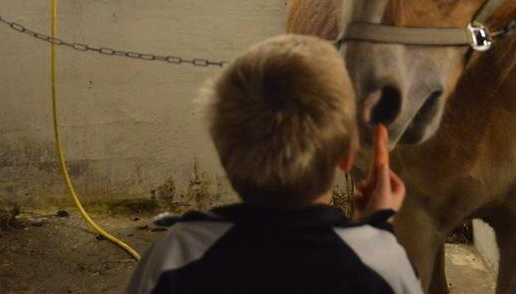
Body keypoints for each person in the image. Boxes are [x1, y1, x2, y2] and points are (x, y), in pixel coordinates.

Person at [126, 34, 422, 294]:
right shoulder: (382, 264)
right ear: (348, 155)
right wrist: (376, 233)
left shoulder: (174, 257)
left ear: (223, 152)